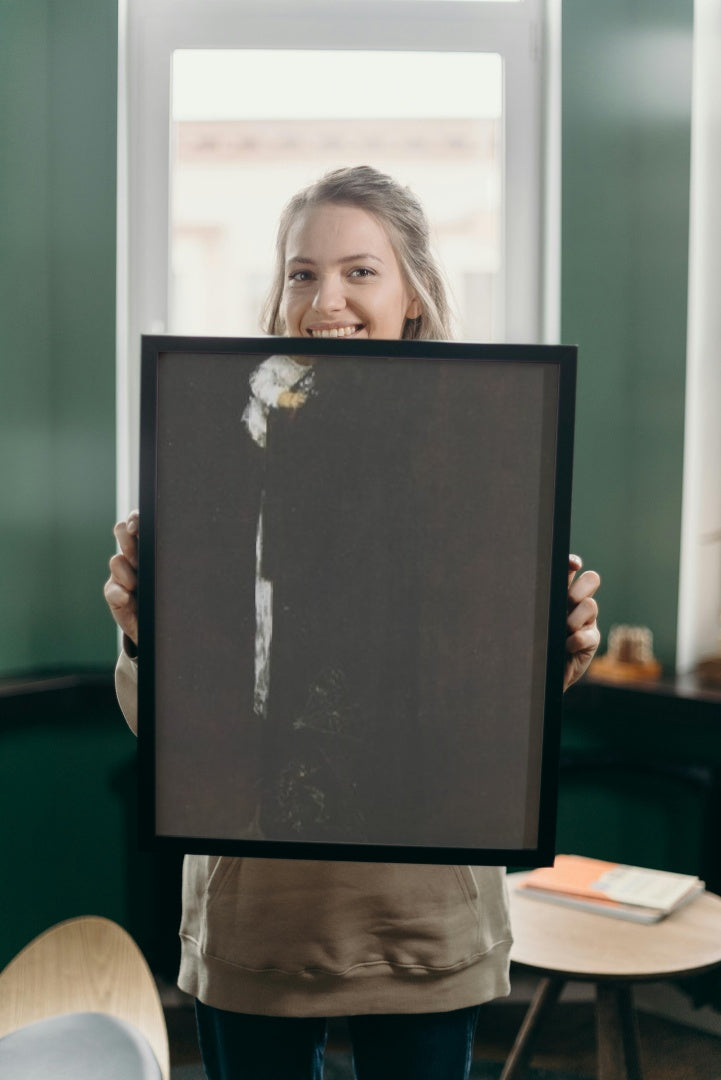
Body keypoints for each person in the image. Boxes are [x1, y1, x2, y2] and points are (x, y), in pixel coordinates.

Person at [105, 166, 601, 1080]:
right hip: (258, 915)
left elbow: (488, 711)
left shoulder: (485, 451)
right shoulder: (214, 450)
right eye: (301, 272)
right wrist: (145, 637)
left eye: (359, 271)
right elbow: (171, 729)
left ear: (412, 292)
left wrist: (554, 652)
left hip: (422, 917)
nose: (324, 298)